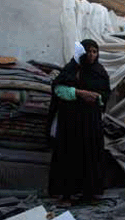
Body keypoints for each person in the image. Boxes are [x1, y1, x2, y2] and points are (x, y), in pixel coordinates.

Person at [47, 39, 110, 205]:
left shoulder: (100, 71)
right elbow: (58, 89)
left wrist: (98, 98)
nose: (91, 55)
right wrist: (78, 93)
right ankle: (66, 194)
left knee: (90, 155)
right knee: (69, 154)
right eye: (88, 51)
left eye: (94, 52)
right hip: (71, 121)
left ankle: (89, 194)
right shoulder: (72, 69)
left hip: (91, 121)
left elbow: (105, 94)